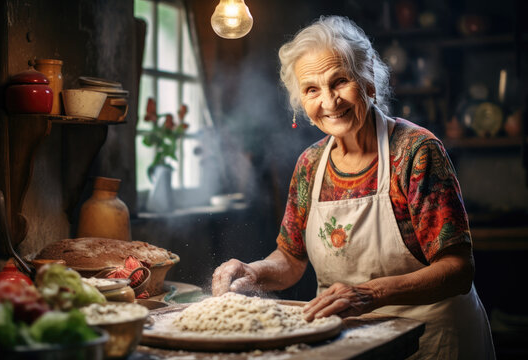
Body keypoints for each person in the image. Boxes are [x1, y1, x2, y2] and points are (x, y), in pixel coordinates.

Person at [212, 15, 495, 359]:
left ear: (369, 80)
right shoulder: (309, 165)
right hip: (348, 341)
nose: (329, 102)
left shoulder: (417, 153)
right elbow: (290, 259)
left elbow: (457, 270)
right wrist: (252, 271)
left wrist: (370, 294)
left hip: (433, 340)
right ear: (300, 101)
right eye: (312, 89)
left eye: (340, 81)